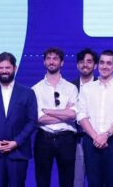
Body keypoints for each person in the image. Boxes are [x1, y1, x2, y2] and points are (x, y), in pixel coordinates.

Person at [0, 52, 38, 187]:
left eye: (7, 67)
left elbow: (32, 121)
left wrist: (16, 142)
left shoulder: (27, 93)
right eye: (1, 68)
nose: (4, 71)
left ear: (15, 68)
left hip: (18, 152)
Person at [76, 50, 113, 187]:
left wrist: (105, 135)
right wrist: (96, 137)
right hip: (91, 141)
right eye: (102, 62)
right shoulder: (87, 88)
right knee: (93, 182)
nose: (104, 66)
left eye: (109, 63)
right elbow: (81, 114)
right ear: (97, 65)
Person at [32, 47, 78, 187]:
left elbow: (73, 115)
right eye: (48, 58)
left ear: (62, 63)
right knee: (42, 180)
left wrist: (48, 111)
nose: (51, 61)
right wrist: (64, 113)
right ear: (44, 62)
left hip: (67, 139)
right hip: (44, 138)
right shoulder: (36, 89)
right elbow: (39, 118)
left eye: (55, 58)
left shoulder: (71, 88)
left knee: (67, 180)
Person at [71, 48, 97, 187]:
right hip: (77, 140)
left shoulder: (103, 85)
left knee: (98, 180)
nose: (85, 64)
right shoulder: (69, 87)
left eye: (89, 61)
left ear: (95, 65)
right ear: (77, 65)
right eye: (81, 62)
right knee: (77, 181)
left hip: (99, 139)